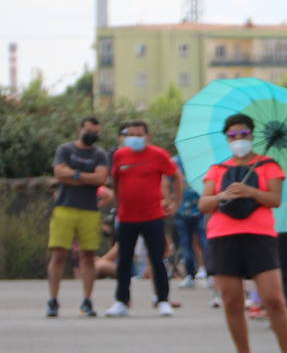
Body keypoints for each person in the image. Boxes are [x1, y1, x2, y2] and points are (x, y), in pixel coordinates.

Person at [198, 113, 287, 353]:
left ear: (252, 136)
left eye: (243, 134)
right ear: (226, 138)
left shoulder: (268, 165)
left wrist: (251, 192)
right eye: (233, 136)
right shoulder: (218, 169)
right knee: (231, 300)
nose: (238, 140)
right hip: (223, 235)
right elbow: (204, 204)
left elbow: (274, 199)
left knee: (274, 298)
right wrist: (222, 195)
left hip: (259, 235)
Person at [105, 120, 181, 317]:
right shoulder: (120, 155)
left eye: (139, 135)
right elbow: (116, 181)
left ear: (148, 136)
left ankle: (163, 300)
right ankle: (122, 301)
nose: (135, 138)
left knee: (157, 259)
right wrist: (118, 205)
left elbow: (177, 177)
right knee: (124, 260)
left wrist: (175, 202)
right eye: (131, 134)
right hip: (127, 217)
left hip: (153, 216)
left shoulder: (158, 155)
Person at [46, 116, 109, 318]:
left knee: (89, 256)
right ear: (79, 129)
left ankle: (87, 301)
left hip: (90, 210)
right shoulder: (65, 149)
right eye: (90, 131)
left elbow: (101, 178)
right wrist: (85, 178)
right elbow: (58, 173)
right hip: (64, 208)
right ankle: (53, 300)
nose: (93, 135)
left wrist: (73, 175)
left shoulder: (100, 154)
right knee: (59, 255)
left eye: (96, 132)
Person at [173, 157, 208, 287]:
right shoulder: (175, 162)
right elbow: (166, 181)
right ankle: (190, 275)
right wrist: (172, 202)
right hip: (182, 211)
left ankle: (210, 273)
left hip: (201, 210)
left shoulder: (203, 161)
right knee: (185, 245)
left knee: (205, 242)